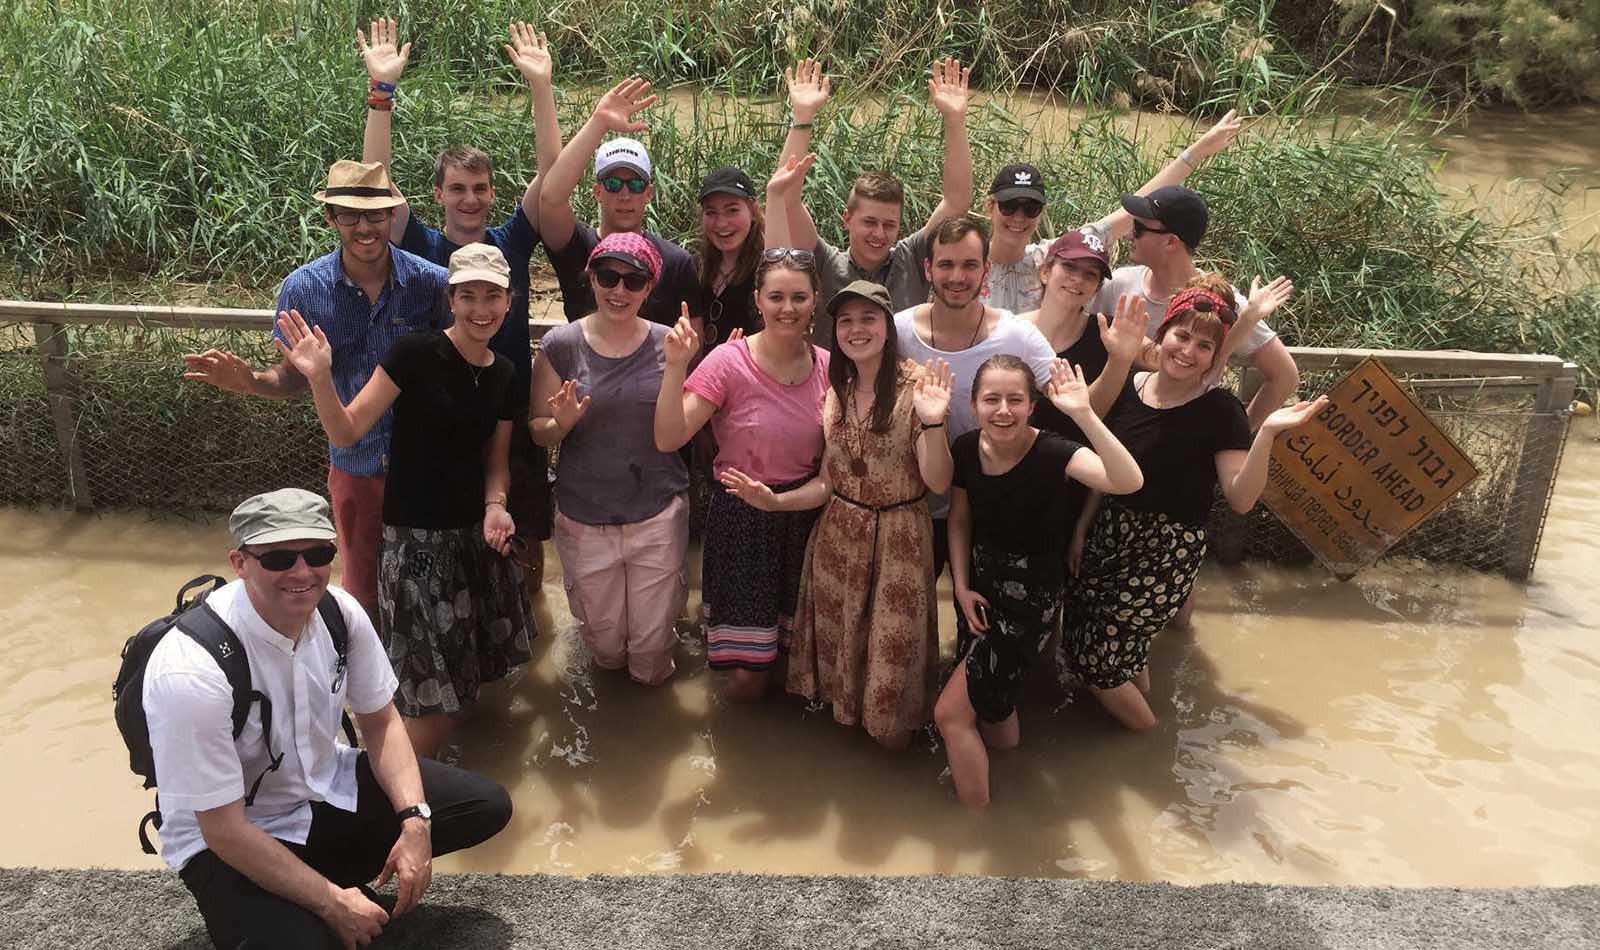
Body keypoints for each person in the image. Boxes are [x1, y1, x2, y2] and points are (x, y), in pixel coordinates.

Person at [143, 488, 511, 949]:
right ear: (240, 563)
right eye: (278, 558)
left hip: (319, 786)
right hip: (230, 836)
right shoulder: (191, 670)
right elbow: (222, 828)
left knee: (484, 805)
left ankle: (314, 881)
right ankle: (304, 897)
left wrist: (416, 823)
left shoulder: (339, 612)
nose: (302, 572)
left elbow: (381, 722)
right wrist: (332, 903)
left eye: (318, 553)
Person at [275, 244, 535, 758]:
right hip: (415, 545)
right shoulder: (412, 354)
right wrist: (320, 377)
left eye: (492, 296)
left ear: (510, 300)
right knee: (427, 704)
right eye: (468, 296)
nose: (480, 309)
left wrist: (496, 506)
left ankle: (464, 786)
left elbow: (497, 462)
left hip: (474, 544)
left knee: (471, 689)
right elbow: (346, 431)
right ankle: (397, 795)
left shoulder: (504, 372)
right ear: (451, 299)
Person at [182, 161, 452, 624]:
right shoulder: (304, 289)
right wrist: (248, 381)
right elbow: (293, 378)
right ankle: (365, 685)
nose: (364, 227)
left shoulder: (433, 284)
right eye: (349, 215)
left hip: (427, 467)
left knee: (434, 586)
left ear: (393, 216)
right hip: (356, 466)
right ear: (329, 217)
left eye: (375, 215)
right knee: (362, 590)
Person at [1062, 275, 1325, 732]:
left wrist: (1266, 434)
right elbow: (1105, 467)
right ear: (1161, 335)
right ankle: (1139, 704)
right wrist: (1082, 527)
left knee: (1094, 661)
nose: (1188, 351)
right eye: (1181, 336)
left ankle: (1150, 747)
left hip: (1165, 552)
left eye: (1204, 346)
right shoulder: (1130, 386)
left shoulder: (1219, 409)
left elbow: (1241, 499)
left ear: (1214, 358)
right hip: (1109, 533)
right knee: (1112, 643)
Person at [359, 17, 561, 585]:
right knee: (451, 552)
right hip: (438, 418)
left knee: (522, 547)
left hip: (511, 408)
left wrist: (541, 88)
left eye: (479, 189)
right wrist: (381, 96)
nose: (469, 199)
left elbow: (553, 177)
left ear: (492, 192)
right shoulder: (422, 243)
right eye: (457, 188)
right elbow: (374, 183)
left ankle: (526, 635)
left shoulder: (511, 241)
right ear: (438, 193)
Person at [720, 281, 955, 749]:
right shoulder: (835, 391)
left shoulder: (918, 388)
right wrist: (775, 502)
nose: (855, 329)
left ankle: (889, 785)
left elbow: (939, 482)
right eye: (845, 320)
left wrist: (932, 421)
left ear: (887, 328)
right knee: (842, 665)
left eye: (868, 319)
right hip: (837, 539)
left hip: (899, 544)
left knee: (892, 689)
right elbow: (829, 482)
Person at [934, 356, 1144, 809]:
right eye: (992, 399)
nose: (1003, 410)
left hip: (1030, 602)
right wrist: (961, 587)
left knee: (950, 715)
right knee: (994, 702)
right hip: (979, 591)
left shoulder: (1054, 451)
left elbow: (1126, 481)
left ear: (1032, 406)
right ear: (973, 405)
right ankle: (1015, 781)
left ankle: (977, 827)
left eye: (1015, 399)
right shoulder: (968, 448)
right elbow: (960, 521)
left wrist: (1084, 414)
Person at [654, 249, 830, 702]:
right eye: (775, 296)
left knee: (792, 661)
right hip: (741, 518)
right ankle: (735, 748)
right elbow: (669, 437)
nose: (787, 308)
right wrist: (676, 366)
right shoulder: (728, 362)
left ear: (816, 300)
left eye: (798, 297)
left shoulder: (832, 369)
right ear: (757, 300)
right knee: (748, 675)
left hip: (803, 518)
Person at [531, 232, 690, 685]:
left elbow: (680, 427)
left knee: (651, 649)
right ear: (591, 278)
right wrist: (559, 424)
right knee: (604, 646)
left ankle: (646, 729)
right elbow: (538, 433)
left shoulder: (670, 344)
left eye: (633, 281)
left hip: (656, 511)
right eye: (608, 277)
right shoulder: (561, 345)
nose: (619, 290)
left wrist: (681, 365)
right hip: (585, 515)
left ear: (648, 287)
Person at [891, 215, 1061, 579]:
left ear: (986, 269)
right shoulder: (897, 332)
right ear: (927, 268)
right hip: (918, 510)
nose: (957, 276)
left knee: (986, 625)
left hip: (992, 509)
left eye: (969, 265)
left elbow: (1074, 403)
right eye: (946, 264)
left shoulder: (1019, 337)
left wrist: (1122, 360)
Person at [776, 57, 974, 344]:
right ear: (847, 219)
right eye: (870, 222)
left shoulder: (913, 259)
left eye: (889, 224)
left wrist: (954, 120)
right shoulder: (825, 264)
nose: (879, 234)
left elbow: (957, 202)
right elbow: (785, 199)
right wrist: (802, 118)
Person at [979, 110, 1243, 314]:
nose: (1019, 217)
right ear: (991, 207)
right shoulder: (966, 263)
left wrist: (1197, 152)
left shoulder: (1052, 257)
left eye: (1030, 208)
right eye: (1009, 206)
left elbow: (1130, 212)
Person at [1090, 184, 1300, 432]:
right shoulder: (1118, 285)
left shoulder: (1224, 303)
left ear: (1170, 242)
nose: (1128, 236)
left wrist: (1237, 434)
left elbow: (1285, 377)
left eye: (1138, 229)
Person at [538, 77, 699, 326]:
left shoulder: (676, 262)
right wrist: (598, 122)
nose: (625, 195)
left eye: (635, 185)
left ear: (648, 194)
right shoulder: (576, 246)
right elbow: (550, 198)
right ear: (597, 192)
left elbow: (693, 344)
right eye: (613, 184)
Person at [695, 164, 768, 350]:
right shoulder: (695, 268)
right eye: (711, 213)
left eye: (732, 210)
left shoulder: (769, 270)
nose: (721, 223)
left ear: (753, 211)